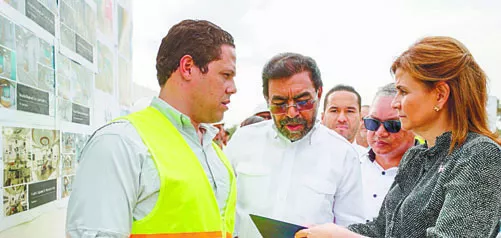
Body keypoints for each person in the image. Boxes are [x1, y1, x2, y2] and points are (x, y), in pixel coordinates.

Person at [295, 36, 501, 238]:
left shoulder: (480, 156)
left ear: (440, 94)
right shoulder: (416, 157)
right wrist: (324, 231)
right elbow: (382, 230)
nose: (395, 102)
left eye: (403, 91)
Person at [66, 20, 238, 238]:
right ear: (187, 68)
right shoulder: (120, 143)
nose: (233, 88)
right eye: (226, 75)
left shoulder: (215, 153)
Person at [225, 52, 364, 238]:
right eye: (280, 104)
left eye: (302, 102)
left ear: (319, 93)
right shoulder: (243, 141)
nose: (292, 113)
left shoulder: (343, 154)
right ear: (267, 99)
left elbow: (350, 228)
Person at [359, 83, 415, 222]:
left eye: (392, 125)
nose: (380, 132)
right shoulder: (349, 164)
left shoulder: (432, 172)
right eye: (373, 122)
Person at [321, 84, 367, 155]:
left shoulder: (370, 162)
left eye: (349, 111)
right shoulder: (304, 158)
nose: (342, 119)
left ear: (360, 117)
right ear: (322, 117)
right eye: (334, 111)